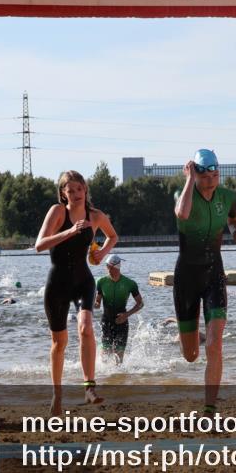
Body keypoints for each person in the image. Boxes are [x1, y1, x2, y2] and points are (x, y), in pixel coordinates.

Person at [36, 170, 118, 414]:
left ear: (85, 190)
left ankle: (89, 387)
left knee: (85, 328)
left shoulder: (96, 216)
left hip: (83, 281)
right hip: (57, 284)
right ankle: (57, 393)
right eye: (70, 190)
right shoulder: (57, 212)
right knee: (59, 342)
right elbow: (40, 245)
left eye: (79, 189)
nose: (75, 194)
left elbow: (113, 236)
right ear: (63, 193)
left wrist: (102, 253)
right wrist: (70, 231)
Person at [173, 148, 236, 414]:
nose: (211, 181)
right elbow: (182, 214)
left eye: (215, 175)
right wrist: (188, 180)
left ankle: (209, 407)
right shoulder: (183, 195)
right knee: (191, 355)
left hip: (214, 275)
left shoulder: (227, 197)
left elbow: (234, 219)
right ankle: (191, 335)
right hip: (186, 279)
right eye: (205, 176)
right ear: (195, 174)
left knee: (215, 344)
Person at [94, 254, 144, 364]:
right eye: (107, 267)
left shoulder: (130, 283)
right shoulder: (101, 282)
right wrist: (94, 304)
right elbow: (98, 301)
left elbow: (140, 304)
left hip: (122, 322)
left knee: (119, 358)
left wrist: (127, 314)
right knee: (105, 357)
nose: (108, 270)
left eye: (110, 267)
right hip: (106, 321)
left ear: (117, 267)